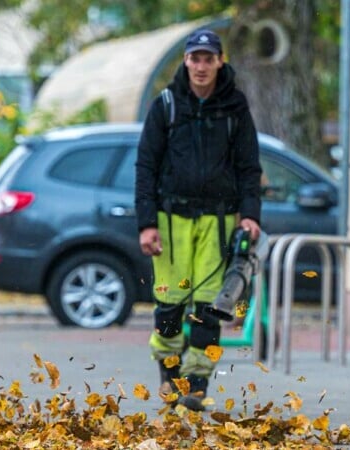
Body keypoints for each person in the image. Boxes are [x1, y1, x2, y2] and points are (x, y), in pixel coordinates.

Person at [135, 28, 263, 412]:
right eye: (196, 58)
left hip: (219, 222)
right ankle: (169, 378)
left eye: (209, 58)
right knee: (170, 306)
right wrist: (146, 223)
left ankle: (197, 384)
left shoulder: (235, 107)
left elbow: (248, 167)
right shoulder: (166, 105)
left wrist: (251, 216)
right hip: (171, 221)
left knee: (210, 307)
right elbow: (146, 166)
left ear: (220, 61)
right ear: (186, 61)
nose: (202, 66)